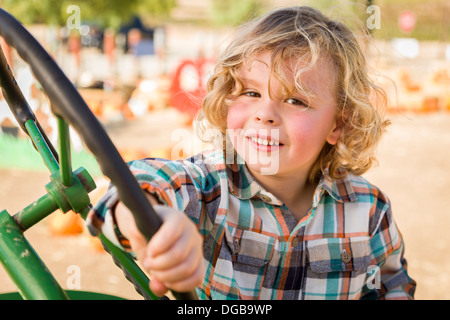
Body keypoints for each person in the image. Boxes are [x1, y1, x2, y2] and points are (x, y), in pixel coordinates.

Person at [87, 6, 416, 300]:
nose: (265, 113)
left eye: (295, 100)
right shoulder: (207, 189)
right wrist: (151, 218)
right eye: (251, 92)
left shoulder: (369, 211)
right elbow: (138, 184)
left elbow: (391, 284)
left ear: (338, 124)